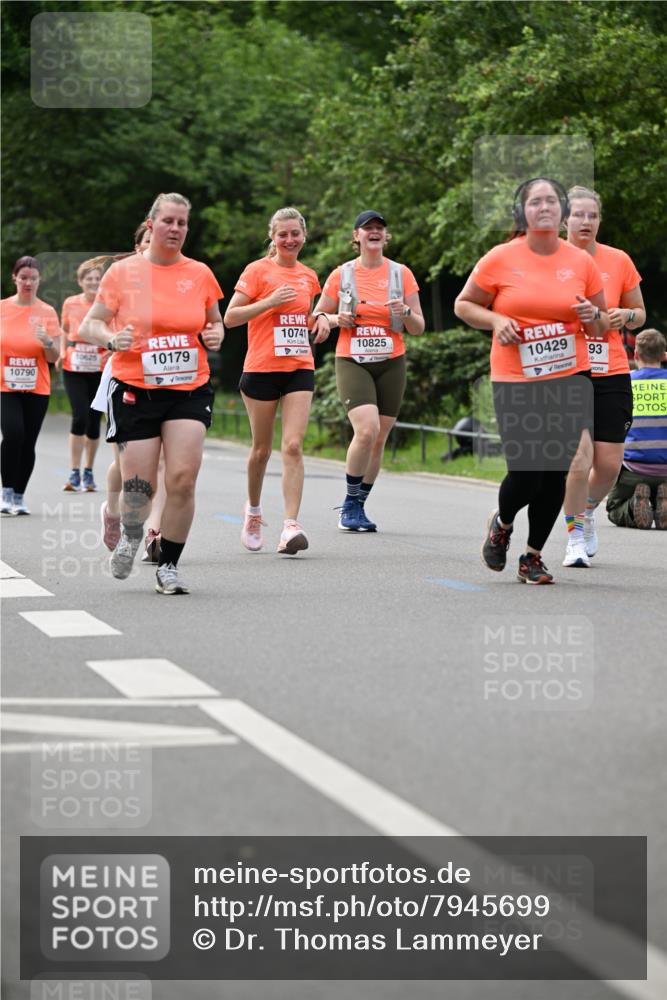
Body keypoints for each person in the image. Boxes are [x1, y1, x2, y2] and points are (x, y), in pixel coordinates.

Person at [454, 178, 609, 584]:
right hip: (515, 377)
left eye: (552, 201)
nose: (545, 207)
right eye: (535, 201)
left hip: (569, 376)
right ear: (521, 212)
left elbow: (601, 327)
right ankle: (503, 524)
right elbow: (464, 304)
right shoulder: (500, 258)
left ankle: (532, 556)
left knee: (556, 471)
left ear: (562, 211)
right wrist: (496, 319)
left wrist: (592, 318)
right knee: (527, 470)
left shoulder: (581, 262)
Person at [79, 193, 224, 594]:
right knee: (140, 487)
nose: (176, 229)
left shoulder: (199, 274)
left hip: (189, 387)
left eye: (182, 223)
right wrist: (112, 338)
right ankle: (129, 534)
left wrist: (216, 333)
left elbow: (215, 323)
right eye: (169, 222)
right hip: (135, 389)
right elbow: (90, 326)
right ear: (151, 224)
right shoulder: (123, 273)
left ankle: (169, 565)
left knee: (181, 478)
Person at [312, 210, 424, 531]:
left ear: (385, 237)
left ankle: (359, 506)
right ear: (357, 236)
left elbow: (418, 326)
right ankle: (348, 503)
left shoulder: (402, 274)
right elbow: (317, 316)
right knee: (367, 430)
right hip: (353, 359)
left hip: (392, 361)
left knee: (379, 439)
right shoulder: (341, 274)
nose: (374, 233)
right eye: (367, 228)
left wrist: (404, 311)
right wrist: (336, 320)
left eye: (379, 229)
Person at [224, 208, 326, 554]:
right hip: (262, 368)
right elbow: (231, 317)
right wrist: (268, 302)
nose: (289, 240)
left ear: (304, 235)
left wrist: (322, 321)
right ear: (273, 237)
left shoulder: (309, 277)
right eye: (283, 234)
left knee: (294, 445)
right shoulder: (257, 271)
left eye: (295, 233)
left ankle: (290, 526)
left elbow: (306, 318)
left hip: (299, 366)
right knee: (261, 450)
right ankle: (253, 510)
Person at [561, 185, 647, 565]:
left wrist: (623, 316)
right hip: (566, 371)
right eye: (578, 214)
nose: (585, 222)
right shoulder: (551, 260)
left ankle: (587, 512)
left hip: (611, 370)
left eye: (592, 215)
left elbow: (640, 313)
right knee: (579, 458)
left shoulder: (618, 260)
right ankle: (573, 537)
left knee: (609, 464)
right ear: (564, 219)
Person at [89, 224, 167, 561]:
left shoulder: (178, 280)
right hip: (124, 375)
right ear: (138, 247)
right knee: (126, 463)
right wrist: (112, 338)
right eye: (148, 242)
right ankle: (113, 512)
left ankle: (155, 533)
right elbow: (96, 323)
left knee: (162, 461)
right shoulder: (119, 281)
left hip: (166, 376)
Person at [1, 256, 61, 515]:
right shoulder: (2, 308)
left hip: (37, 387)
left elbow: (54, 357)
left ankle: (18, 496)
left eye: (33, 278)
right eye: (23, 277)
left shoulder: (47, 312)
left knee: (28, 443)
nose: (28, 282)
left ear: (39, 281)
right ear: (15, 278)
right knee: (13, 434)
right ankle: (5, 492)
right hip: (5, 385)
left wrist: (47, 341)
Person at [606, 329, 667, 529]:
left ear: (635, 355)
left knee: (614, 506)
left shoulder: (625, 383)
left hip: (633, 468)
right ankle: (663, 503)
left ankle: (633, 506)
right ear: (664, 356)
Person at [58, 260, 105, 492]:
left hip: (99, 365)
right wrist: (60, 352)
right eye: (89, 279)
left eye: (97, 279)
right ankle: (74, 471)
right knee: (80, 416)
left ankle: (89, 471)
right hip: (74, 366)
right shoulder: (70, 303)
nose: (94, 283)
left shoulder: (106, 304)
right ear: (80, 281)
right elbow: (64, 331)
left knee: (94, 419)